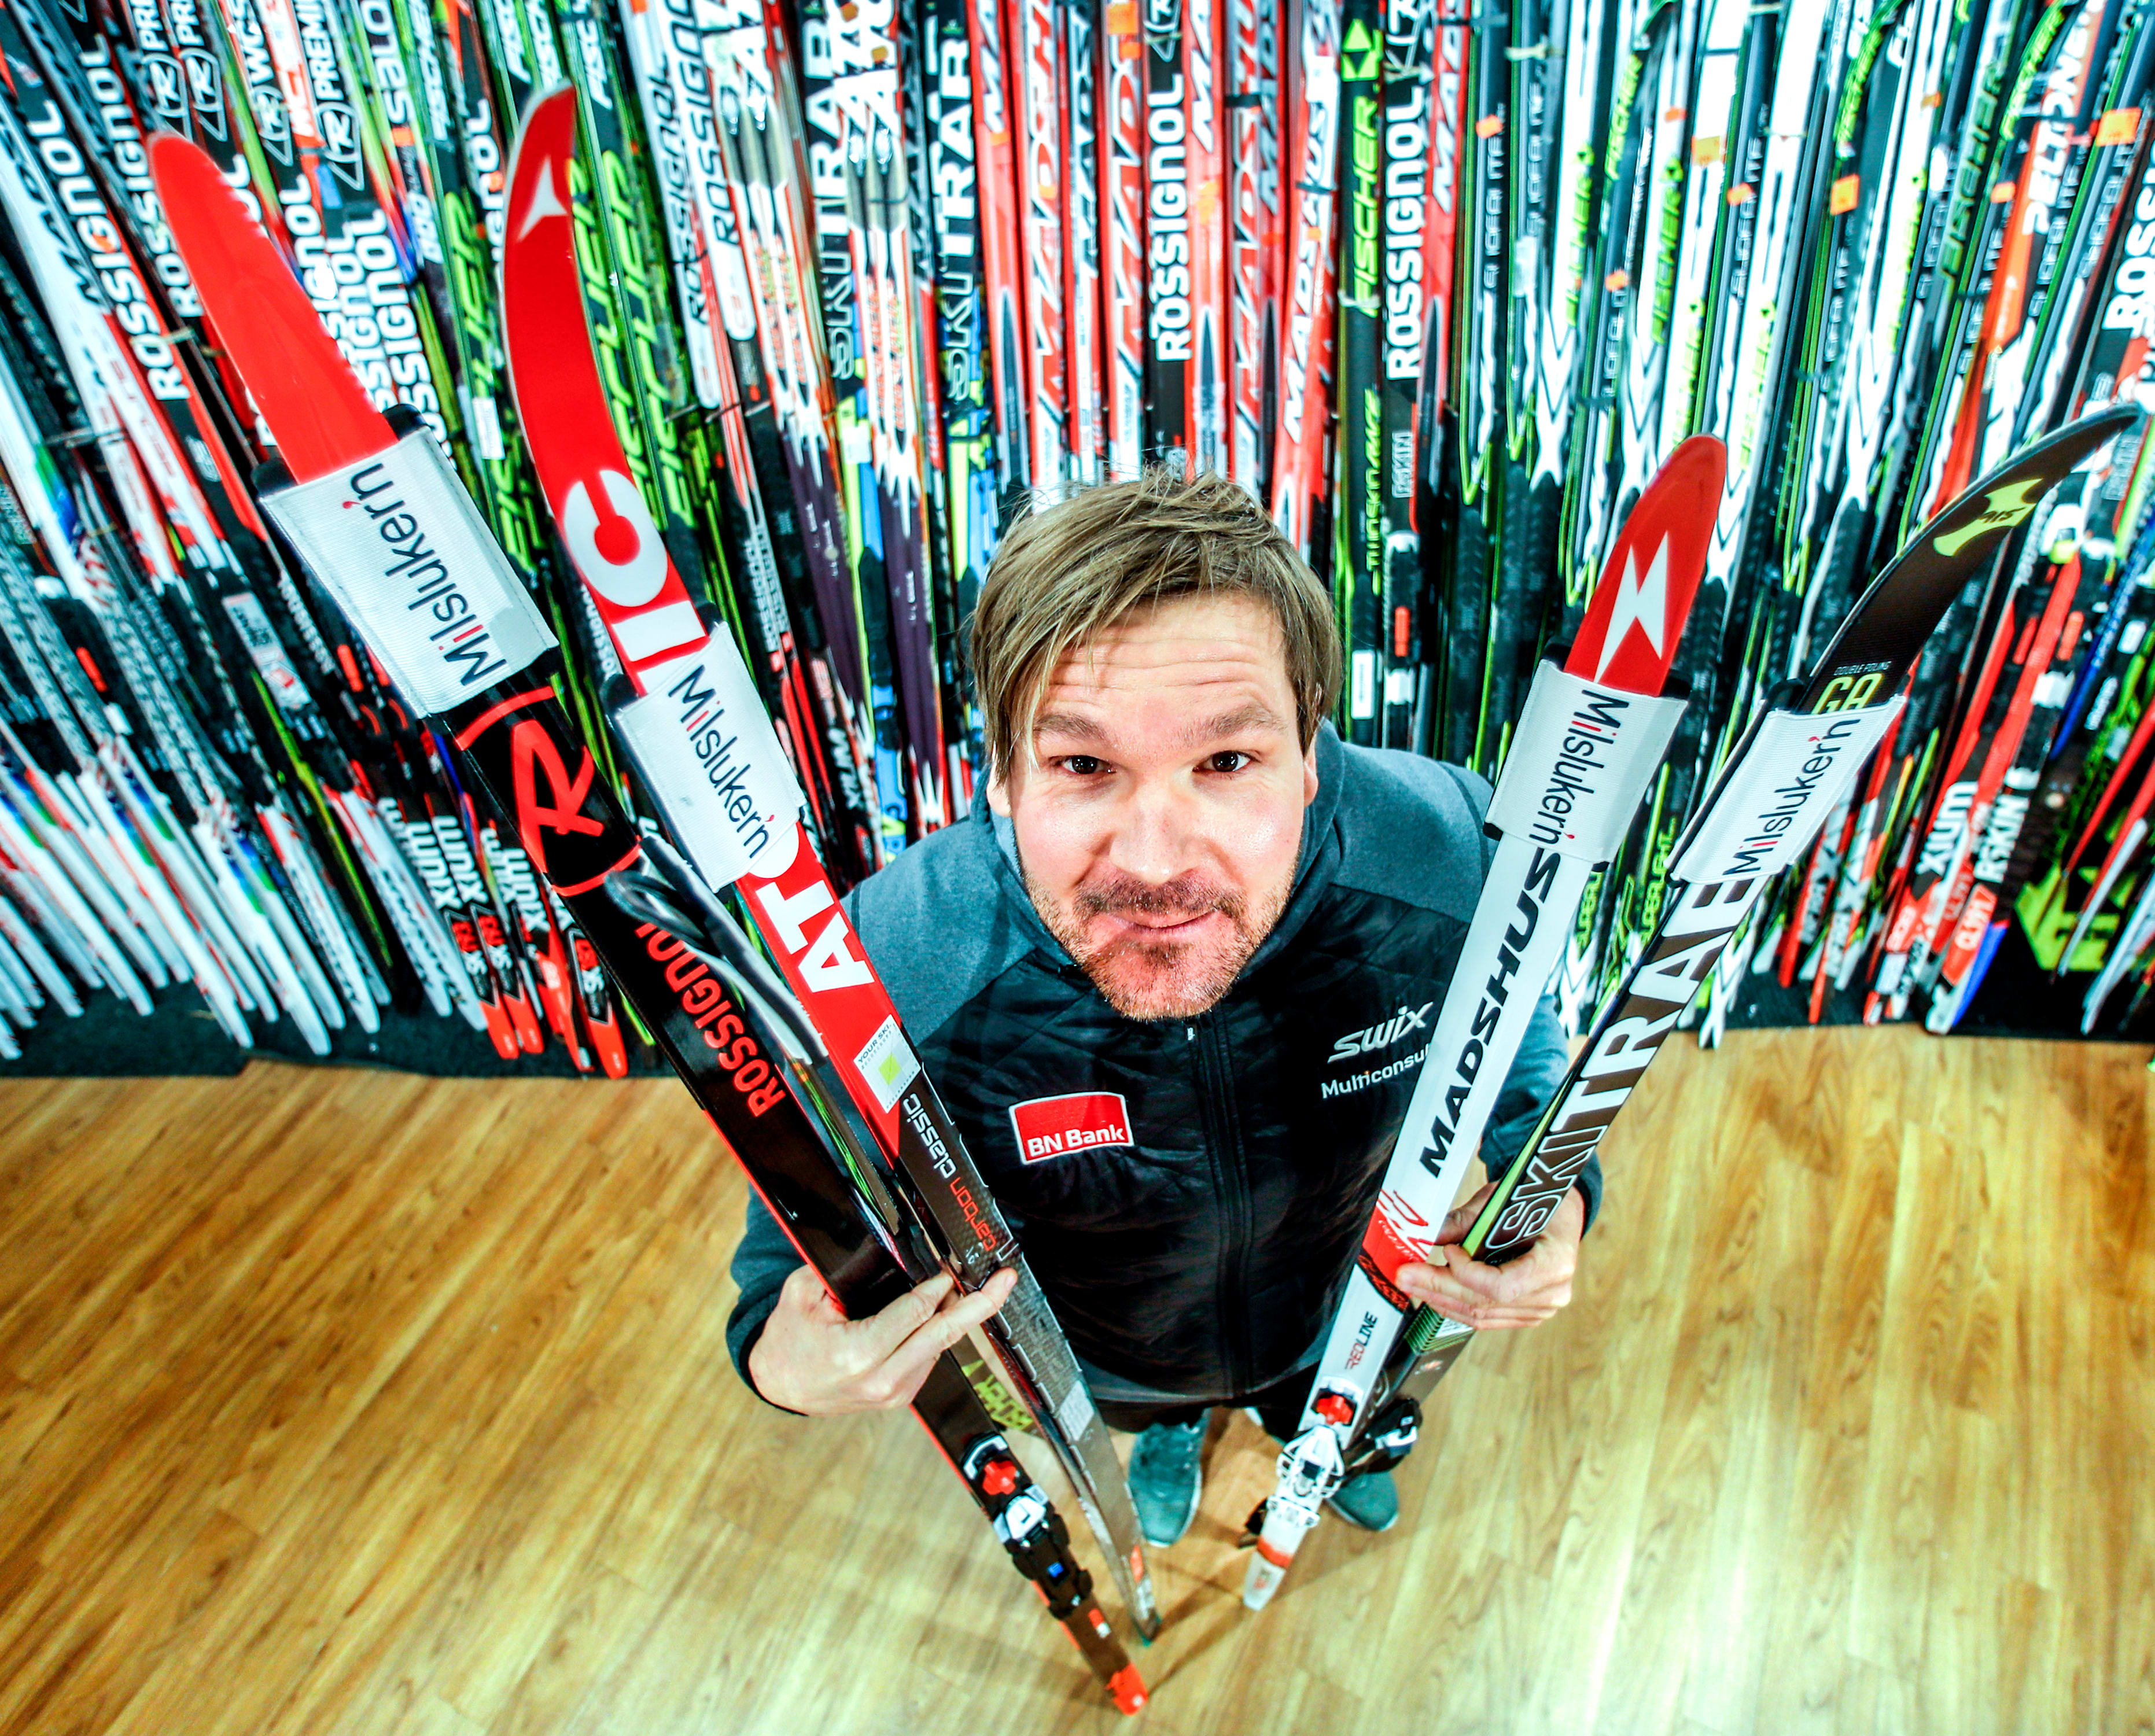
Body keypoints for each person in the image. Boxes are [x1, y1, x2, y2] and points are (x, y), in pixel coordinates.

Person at [726, 470, 1596, 1546]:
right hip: (1115, 1363)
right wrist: (780, 1364)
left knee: (1319, 1397)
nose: (1153, 860)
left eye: (1226, 760)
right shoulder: (896, 953)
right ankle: (1175, 1433)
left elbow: (1512, 1023)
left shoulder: (1445, 845)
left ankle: (1313, 1434)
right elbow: (792, 1238)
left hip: (1344, 1311)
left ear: (1307, 750)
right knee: (1158, 1410)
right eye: (1082, 762)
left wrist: (1555, 1190)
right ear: (1001, 772)